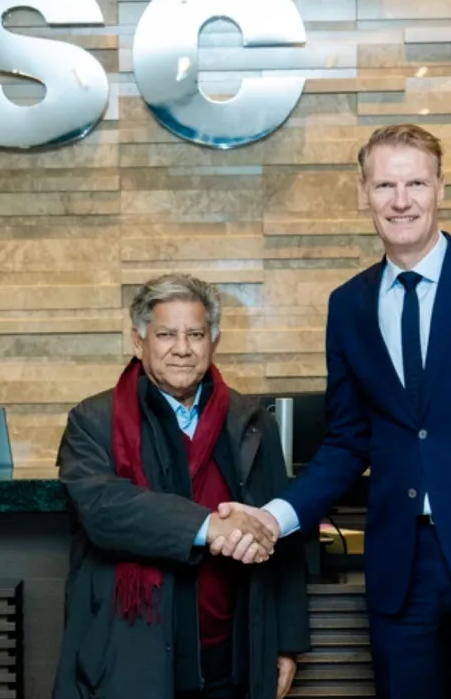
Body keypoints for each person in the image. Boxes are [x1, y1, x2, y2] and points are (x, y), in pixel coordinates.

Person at [212, 124, 451, 699]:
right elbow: (346, 443)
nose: (401, 200)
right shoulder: (348, 305)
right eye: (385, 185)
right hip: (401, 577)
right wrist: (274, 518)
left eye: (415, 183)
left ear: (440, 188)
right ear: (363, 194)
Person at [52, 273, 310, 699]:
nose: (183, 348)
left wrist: (286, 643)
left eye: (195, 334)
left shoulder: (250, 422)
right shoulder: (93, 421)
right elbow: (105, 509)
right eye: (166, 334)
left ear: (214, 341)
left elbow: (281, 537)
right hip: (130, 657)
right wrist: (210, 526)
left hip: (234, 655)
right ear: (139, 341)